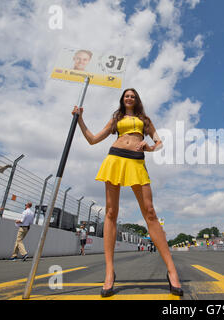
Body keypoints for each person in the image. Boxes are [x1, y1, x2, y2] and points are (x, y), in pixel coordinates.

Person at [72, 88, 183, 297]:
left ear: (137, 99)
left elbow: (159, 143)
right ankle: (109, 272)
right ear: (123, 99)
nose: (129, 98)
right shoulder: (116, 118)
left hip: (137, 161)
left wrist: (149, 147)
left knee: (150, 212)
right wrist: (80, 119)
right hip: (115, 158)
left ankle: (171, 270)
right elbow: (93, 139)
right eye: (126, 96)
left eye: (132, 95)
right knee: (111, 213)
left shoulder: (145, 120)